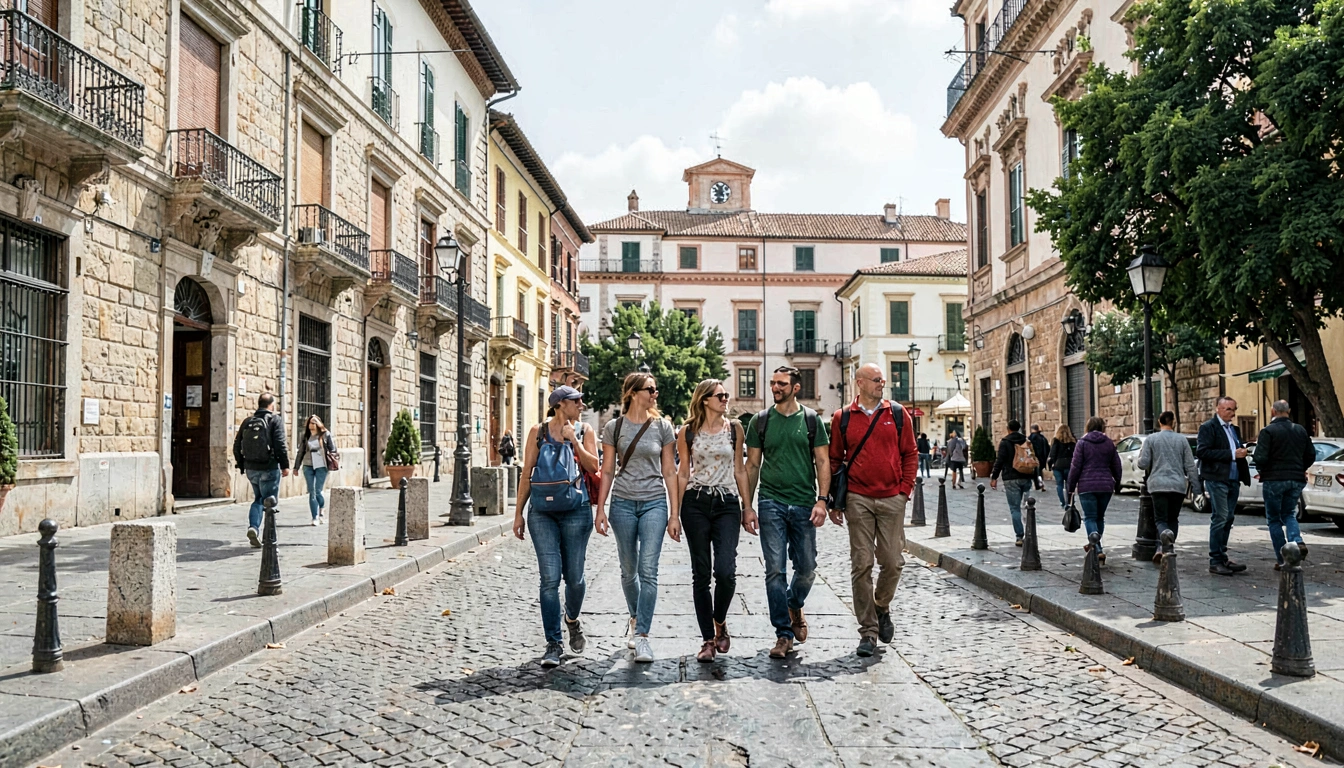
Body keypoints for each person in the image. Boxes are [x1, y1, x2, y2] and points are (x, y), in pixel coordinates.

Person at [829, 363, 917, 658]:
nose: (882, 384)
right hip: (858, 498)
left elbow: (910, 453)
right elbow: (834, 460)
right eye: (877, 379)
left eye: (883, 380)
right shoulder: (842, 417)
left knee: (893, 561)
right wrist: (834, 501)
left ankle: (881, 606)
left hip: (892, 497)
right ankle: (868, 631)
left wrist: (905, 490)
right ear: (860, 383)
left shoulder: (897, 414)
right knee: (862, 564)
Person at [746, 366, 830, 659]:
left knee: (807, 568)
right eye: (773, 383)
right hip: (771, 502)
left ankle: (794, 603)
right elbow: (752, 465)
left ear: (795, 387)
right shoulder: (760, 421)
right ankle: (783, 634)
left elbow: (823, 461)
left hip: (804, 503)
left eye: (781, 383)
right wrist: (748, 506)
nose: (775, 387)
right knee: (775, 570)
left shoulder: (811, 420)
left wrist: (822, 500)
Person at [513, 386, 599, 667]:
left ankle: (571, 619)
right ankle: (553, 643)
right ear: (561, 404)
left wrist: (574, 440)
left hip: (576, 511)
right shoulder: (537, 432)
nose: (582, 405)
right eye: (577, 401)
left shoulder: (585, 430)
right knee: (549, 579)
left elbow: (594, 466)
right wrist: (518, 513)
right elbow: (527, 473)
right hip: (542, 513)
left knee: (575, 578)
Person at [596, 373, 678, 663]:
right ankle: (634, 616)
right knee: (628, 570)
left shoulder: (663, 427)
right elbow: (607, 470)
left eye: (655, 389)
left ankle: (642, 635)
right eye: (650, 389)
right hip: (622, 503)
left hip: (654, 502)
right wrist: (600, 508)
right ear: (633, 392)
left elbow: (670, 471)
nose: (655, 394)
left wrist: (675, 514)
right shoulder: (613, 427)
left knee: (648, 570)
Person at [676, 379, 751, 663]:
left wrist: (747, 507)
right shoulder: (688, 432)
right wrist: (674, 514)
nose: (725, 399)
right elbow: (683, 472)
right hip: (695, 503)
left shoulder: (735, 429)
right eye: (720, 395)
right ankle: (708, 640)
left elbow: (740, 469)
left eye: (726, 395)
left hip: (727, 503)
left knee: (726, 571)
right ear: (705, 399)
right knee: (701, 574)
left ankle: (720, 620)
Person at [1253, 400, 1314, 570]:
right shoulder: (1300, 430)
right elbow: (1311, 454)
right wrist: (1300, 468)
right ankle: (1296, 540)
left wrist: (1262, 469)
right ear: (1289, 411)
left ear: (1273, 411)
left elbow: (1260, 457)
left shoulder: (1268, 431)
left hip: (1274, 479)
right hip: (1295, 478)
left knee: (1274, 519)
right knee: (1289, 513)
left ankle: (1283, 559)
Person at [1196, 397, 1251, 576]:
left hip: (1233, 478)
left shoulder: (1234, 429)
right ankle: (1215, 560)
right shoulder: (1208, 427)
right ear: (1218, 409)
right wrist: (1232, 454)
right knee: (1220, 517)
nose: (1232, 413)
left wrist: (1242, 451)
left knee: (1229, 517)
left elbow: (1236, 450)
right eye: (1228, 409)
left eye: (1234, 409)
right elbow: (1202, 451)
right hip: (1217, 478)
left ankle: (1222, 555)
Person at [1137, 411, 1198, 559]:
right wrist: (1196, 487)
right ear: (1173, 422)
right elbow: (1190, 465)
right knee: (1173, 519)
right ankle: (1166, 547)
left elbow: (1142, 463)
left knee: (1160, 519)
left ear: (1159, 422)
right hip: (1177, 485)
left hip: (1157, 484)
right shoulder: (1182, 440)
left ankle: (1162, 544)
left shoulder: (1151, 439)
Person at [232, 392, 290, 548]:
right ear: (271, 405)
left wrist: (242, 465)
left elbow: (237, 445)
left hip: (251, 468)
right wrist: (285, 465)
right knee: (270, 502)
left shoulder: (247, 422)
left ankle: (253, 527)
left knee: (258, 499)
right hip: (269, 467)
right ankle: (270, 538)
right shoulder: (274, 420)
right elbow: (280, 444)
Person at [1067, 416, 1123, 564]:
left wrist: (1070, 488)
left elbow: (1075, 467)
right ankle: (1095, 544)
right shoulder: (1109, 443)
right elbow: (1116, 465)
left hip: (1086, 485)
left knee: (1090, 517)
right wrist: (1117, 481)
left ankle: (1097, 548)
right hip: (1105, 485)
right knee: (1099, 517)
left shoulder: (1082, 443)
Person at [988, 419, 1040, 546]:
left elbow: (1000, 461)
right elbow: (1033, 458)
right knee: (1028, 506)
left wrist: (994, 477)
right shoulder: (1026, 441)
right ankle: (1030, 533)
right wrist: (1036, 479)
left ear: (1008, 429)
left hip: (1010, 478)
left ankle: (1019, 536)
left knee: (1015, 508)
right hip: (1026, 476)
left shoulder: (1005, 442)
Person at [294, 415, 337, 526]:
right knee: (312, 491)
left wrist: (330, 457)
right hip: (308, 465)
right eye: (310, 423)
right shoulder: (306, 436)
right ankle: (315, 517)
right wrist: (296, 467)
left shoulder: (325, 434)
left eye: (314, 423)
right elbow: (301, 452)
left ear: (318, 423)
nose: (311, 425)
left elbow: (333, 449)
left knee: (318, 491)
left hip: (321, 466)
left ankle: (322, 507)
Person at [1047, 424, 1077, 508]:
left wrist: (1050, 465)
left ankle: (1062, 502)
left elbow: (1052, 454)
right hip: (1069, 465)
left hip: (1058, 465)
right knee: (1069, 484)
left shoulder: (1056, 441)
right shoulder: (1073, 441)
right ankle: (1070, 502)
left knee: (1059, 485)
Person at [1029, 425, 1050, 491]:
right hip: (1042, 458)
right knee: (1039, 471)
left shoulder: (1031, 437)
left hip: (1034, 458)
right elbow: (1048, 448)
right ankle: (1040, 483)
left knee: (1036, 472)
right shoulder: (1043, 438)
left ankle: (1038, 484)